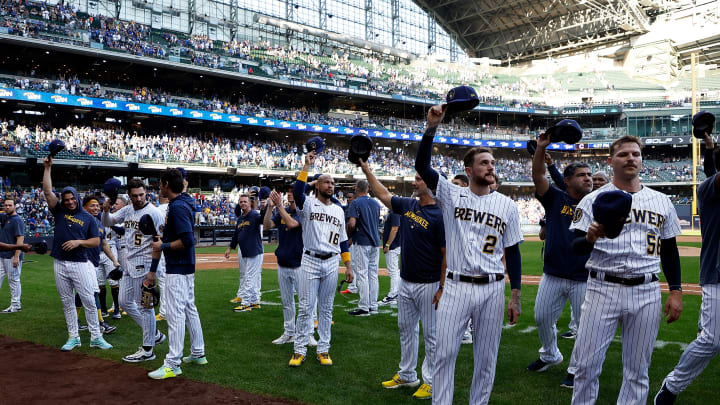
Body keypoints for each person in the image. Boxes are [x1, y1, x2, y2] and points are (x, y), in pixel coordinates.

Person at [415, 105, 523, 405]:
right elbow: (423, 167)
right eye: (484, 162)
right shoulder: (451, 194)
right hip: (457, 286)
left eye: (492, 162)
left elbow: (512, 252)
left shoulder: (507, 205)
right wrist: (431, 128)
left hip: (492, 288)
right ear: (469, 169)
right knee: (444, 354)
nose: (491, 167)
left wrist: (515, 295)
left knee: (486, 361)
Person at [569, 135, 683, 405]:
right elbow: (574, 248)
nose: (630, 158)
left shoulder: (661, 201)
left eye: (635, 154)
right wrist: (589, 239)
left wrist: (676, 290)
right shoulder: (592, 200)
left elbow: (669, 250)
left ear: (642, 160)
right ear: (610, 161)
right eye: (623, 154)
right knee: (585, 367)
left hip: (646, 290)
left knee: (638, 371)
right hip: (602, 288)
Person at [361, 160, 445, 401]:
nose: (414, 182)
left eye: (418, 179)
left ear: (429, 185)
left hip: (429, 284)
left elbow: (445, 254)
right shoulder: (409, 204)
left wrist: (442, 287)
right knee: (405, 330)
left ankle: (431, 381)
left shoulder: (439, 214)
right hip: (406, 282)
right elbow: (383, 194)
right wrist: (367, 170)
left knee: (431, 335)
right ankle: (408, 374)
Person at [653, 131, 720, 405]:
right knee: (711, 341)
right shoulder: (708, 191)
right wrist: (710, 150)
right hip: (717, 275)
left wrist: (710, 147)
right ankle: (671, 387)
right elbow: (713, 174)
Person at [528, 132, 593, 388]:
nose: (587, 178)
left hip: (584, 276)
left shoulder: (596, 201)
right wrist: (540, 151)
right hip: (553, 273)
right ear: (567, 180)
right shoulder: (556, 198)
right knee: (542, 318)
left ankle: (576, 369)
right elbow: (538, 177)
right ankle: (550, 354)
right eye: (581, 175)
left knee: (585, 329)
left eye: (589, 175)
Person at [288, 151, 354, 367]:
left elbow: (343, 241)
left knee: (326, 309)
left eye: (333, 183)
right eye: (327, 182)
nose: (331, 185)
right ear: (317, 185)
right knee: (306, 307)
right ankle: (299, 350)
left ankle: (324, 349)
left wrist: (348, 265)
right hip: (310, 260)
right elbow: (297, 191)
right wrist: (306, 167)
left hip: (332, 261)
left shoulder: (338, 210)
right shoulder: (307, 204)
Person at [42, 156, 113, 352]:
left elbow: (96, 241)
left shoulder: (88, 218)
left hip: (81, 263)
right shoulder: (59, 212)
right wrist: (47, 168)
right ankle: (73, 337)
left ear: (77, 199)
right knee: (66, 302)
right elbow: (48, 191)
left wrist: (78, 242)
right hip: (60, 262)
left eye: (73, 199)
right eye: (67, 200)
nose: (70, 202)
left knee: (89, 300)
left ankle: (96, 337)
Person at [147, 168, 206, 379]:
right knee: (190, 308)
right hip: (185, 266)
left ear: (165, 185)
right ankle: (198, 352)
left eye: (160, 183)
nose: (158, 187)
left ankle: (173, 363)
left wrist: (163, 246)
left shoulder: (179, 206)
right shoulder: (183, 202)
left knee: (175, 314)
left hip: (178, 268)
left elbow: (188, 240)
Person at [102, 178, 166, 363]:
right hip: (129, 262)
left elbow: (158, 243)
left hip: (145, 263)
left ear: (146, 192)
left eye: (141, 194)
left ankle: (147, 349)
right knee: (123, 302)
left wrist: (153, 271)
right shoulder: (129, 209)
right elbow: (108, 222)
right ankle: (153, 333)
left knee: (145, 308)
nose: (138, 198)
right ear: (129, 195)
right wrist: (106, 210)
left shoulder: (153, 213)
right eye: (134, 195)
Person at [262, 188, 302, 344]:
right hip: (283, 263)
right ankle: (289, 332)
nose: (290, 194)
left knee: (306, 302)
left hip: (299, 263)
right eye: (289, 192)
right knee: (287, 302)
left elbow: (292, 223)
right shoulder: (281, 211)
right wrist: (270, 207)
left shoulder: (303, 211)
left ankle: (306, 333)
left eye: (293, 191)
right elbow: (266, 225)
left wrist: (278, 206)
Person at [347, 180, 381, 316]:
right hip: (375, 241)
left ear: (356, 189)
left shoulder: (355, 203)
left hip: (362, 240)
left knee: (362, 273)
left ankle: (364, 307)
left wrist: (348, 235)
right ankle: (373, 305)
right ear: (368, 189)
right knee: (373, 274)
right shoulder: (376, 203)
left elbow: (352, 223)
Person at [225, 194, 263, 312]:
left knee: (249, 278)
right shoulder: (241, 218)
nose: (243, 204)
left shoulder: (255, 215)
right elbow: (236, 235)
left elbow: (264, 218)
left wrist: (265, 204)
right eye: (241, 202)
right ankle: (255, 301)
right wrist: (230, 248)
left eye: (245, 201)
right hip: (246, 252)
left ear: (250, 203)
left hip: (255, 251)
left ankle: (246, 303)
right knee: (251, 277)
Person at [0, 198, 25, 313]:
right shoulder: (5, 217)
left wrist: (16, 256)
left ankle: (16, 305)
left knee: (13, 280)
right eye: (5, 205)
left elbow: (20, 239)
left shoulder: (17, 220)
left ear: (15, 206)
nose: (7, 207)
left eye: (10, 205)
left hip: (11, 256)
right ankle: (15, 305)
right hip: (2, 255)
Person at [108, 195, 129, 319]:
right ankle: (118, 304)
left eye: (117, 203)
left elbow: (122, 231)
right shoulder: (114, 216)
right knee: (118, 276)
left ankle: (129, 304)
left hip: (126, 248)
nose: (114, 205)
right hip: (116, 249)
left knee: (127, 276)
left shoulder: (127, 216)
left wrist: (108, 223)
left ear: (123, 205)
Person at [378, 211, 400, 305]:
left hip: (393, 246)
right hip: (396, 244)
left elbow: (395, 228)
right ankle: (396, 294)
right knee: (395, 272)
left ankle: (393, 295)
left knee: (393, 272)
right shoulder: (394, 212)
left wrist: (387, 244)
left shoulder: (395, 212)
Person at [155, 194, 169, 321]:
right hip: (176, 247)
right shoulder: (175, 207)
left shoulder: (158, 210)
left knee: (163, 280)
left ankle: (164, 312)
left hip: (162, 245)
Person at [340, 191, 357, 295]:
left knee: (354, 264)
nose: (348, 199)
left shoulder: (356, 208)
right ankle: (352, 287)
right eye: (347, 197)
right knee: (350, 263)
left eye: (350, 197)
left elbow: (355, 226)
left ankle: (353, 287)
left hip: (353, 240)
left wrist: (351, 239)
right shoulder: (345, 209)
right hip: (345, 239)